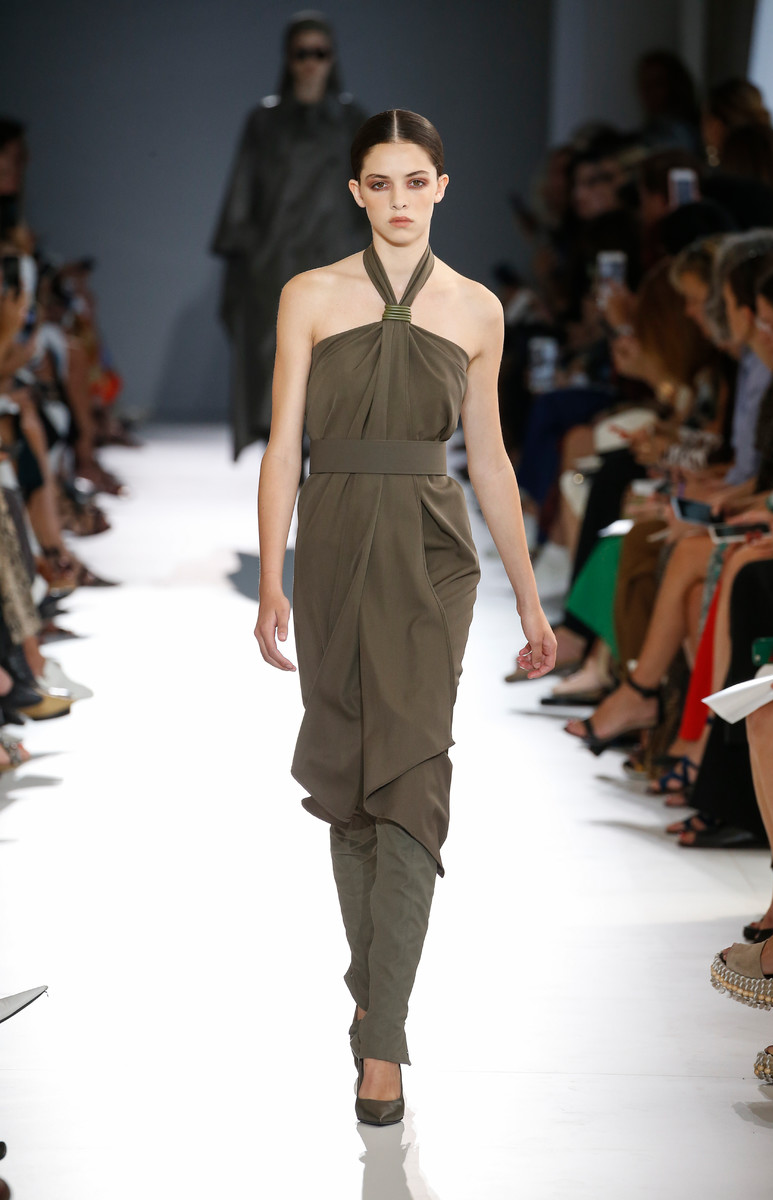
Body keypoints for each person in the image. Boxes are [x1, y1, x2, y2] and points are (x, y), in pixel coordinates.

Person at [253, 109, 556, 1125]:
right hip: (336, 543)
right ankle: (374, 993)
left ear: (441, 186)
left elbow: (492, 461)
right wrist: (271, 578)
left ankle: (382, 1039)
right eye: (379, 183)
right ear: (355, 192)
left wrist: (529, 598)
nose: (397, 200)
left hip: (431, 553)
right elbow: (283, 445)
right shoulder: (308, 296)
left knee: (415, 782)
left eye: (414, 181)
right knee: (349, 781)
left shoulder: (477, 310)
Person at [212, 13, 367, 459]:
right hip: (273, 264)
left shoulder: (352, 120)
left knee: (334, 366)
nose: (311, 62)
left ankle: (325, 472)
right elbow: (243, 187)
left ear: (332, 58)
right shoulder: (264, 121)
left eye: (320, 52)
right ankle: (288, 468)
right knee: (276, 369)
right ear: (288, 58)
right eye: (302, 53)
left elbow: (371, 187)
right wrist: (242, 251)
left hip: (337, 257)